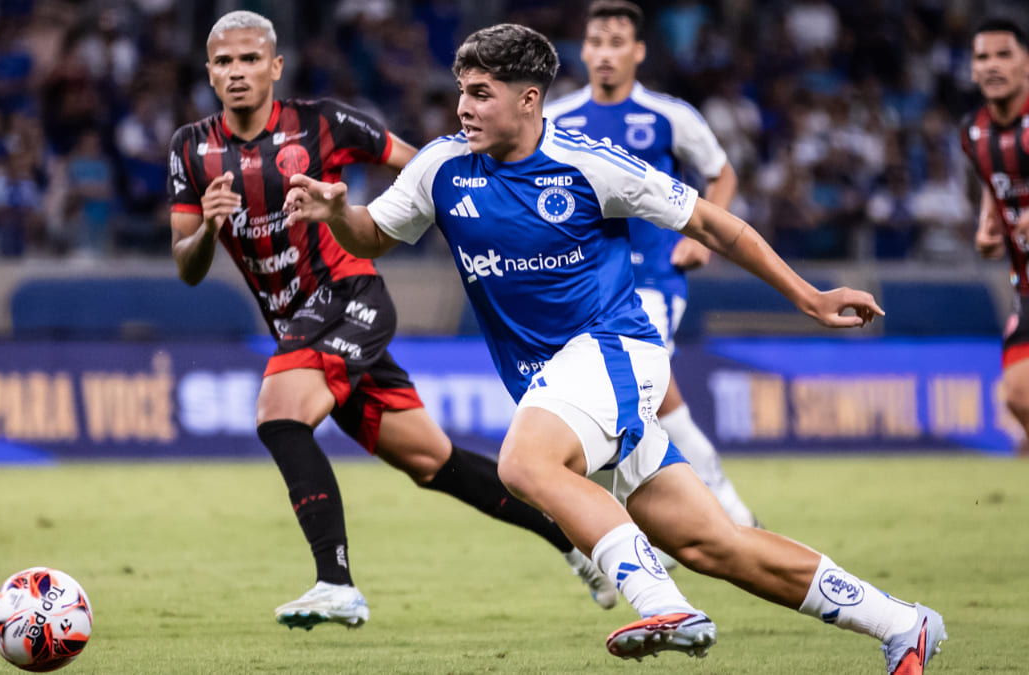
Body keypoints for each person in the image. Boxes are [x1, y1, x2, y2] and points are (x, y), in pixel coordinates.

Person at [284, 23, 946, 672]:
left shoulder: (589, 164)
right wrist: (336, 210)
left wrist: (809, 297)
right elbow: (373, 235)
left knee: (524, 463)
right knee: (713, 542)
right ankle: (901, 622)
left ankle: (666, 604)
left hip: (616, 349)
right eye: (462, 90)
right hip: (563, 383)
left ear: (528, 98)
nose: (464, 106)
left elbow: (714, 223)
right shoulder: (442, 166)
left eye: (482, 92)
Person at [167, 11, 616, 632]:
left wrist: (462, 220)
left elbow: (427, 166)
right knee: (434, 462)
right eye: (224, 62)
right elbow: (187, 265)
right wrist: (209, 230)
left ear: (274, 67)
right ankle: (575, 538)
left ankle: (336, 583)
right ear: (210, 74)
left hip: (348, 292)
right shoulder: (191, 149)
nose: (237, 72)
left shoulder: (323, 121)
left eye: (249, 60)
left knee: (279, 412)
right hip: (297, 323)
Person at [544, 0, 757, 533]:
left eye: (617, 43)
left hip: (654, 278)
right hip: (586, 284)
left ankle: (670, 531)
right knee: (657, 404)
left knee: (634, 401)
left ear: (638, 51)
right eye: (595, 42)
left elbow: (721, 174)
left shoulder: (670, 116)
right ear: (584, 50)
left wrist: (702, 239)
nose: (605, 53)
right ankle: (723, 513)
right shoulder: (556, 119)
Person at [960, 17, 1029, 455]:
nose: (993, 65)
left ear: (1026, 63)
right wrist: (989, 224)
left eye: (1005, 54)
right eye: (983, 57)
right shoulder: (974, 132)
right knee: (1018, 395)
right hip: (1026, 287)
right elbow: (992, 180)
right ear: (971, 69)